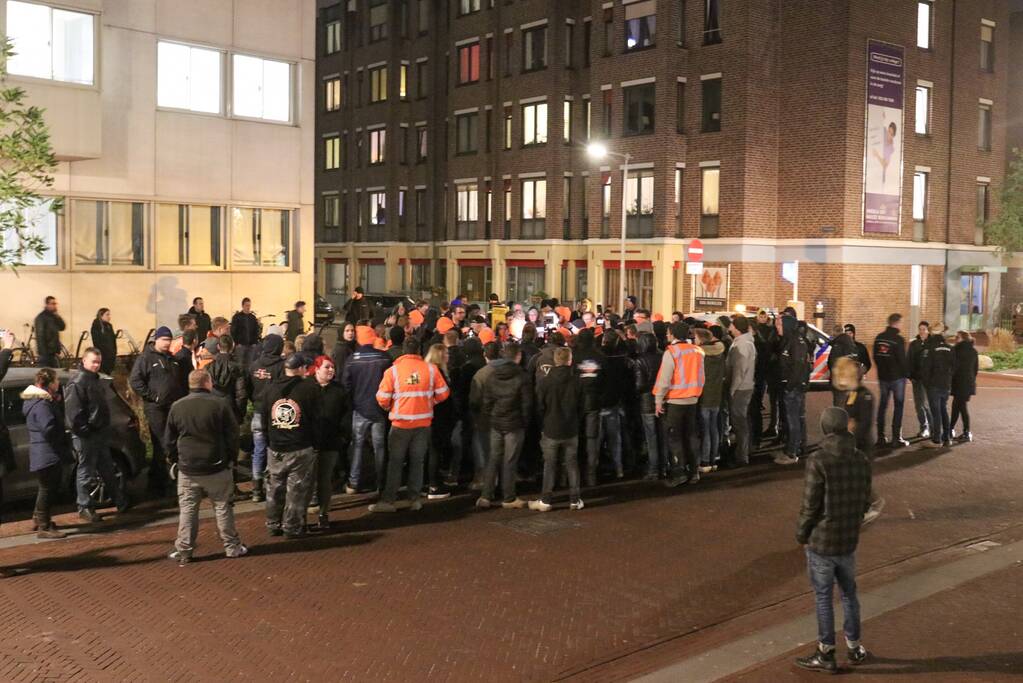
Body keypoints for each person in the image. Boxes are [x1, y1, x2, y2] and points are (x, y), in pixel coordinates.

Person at [794, 407, 872, 673]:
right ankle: (854, 646)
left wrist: (802, 533)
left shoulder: (818, 460)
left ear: (825, 428)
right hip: (848, 539)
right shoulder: (861, 459)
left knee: (823, 597)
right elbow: (865, 501)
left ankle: (826, 651)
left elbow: (810, 505)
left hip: (822, 540)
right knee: (850, 594)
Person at [165, 369, 246, 564]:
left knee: (188, 509)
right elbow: (232, 435)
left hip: (188, 467)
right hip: (216, 465)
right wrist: (231, 459)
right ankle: (232, 547)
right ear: (208, 383)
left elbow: (169, 439)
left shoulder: (177, 407)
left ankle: (185, 549)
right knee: (222, 507)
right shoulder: (220, 404)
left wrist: (175, 458)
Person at [369, 338, 449, 513]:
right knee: (417, 462)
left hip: (400, 424)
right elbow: (443, 394)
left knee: (395, 463)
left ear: (403, 351)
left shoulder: (393, 372)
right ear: (419, 350)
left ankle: (388, 501)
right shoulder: (431, 369)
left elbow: (382, 397)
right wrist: (430, 402)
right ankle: (414, 499)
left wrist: (391, 406)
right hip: (423, 423)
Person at [66, 348, 130, 522]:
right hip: (87, 435)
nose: (96, 365)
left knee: (106, 468)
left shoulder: (93, 380)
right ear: (84, 361)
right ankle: (84, 506)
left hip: (98, 432)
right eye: (93, 362)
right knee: (86, 471)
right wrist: (85, 430)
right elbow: (74, 413)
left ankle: (119, 500)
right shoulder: (79, 382)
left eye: (98, 362)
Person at [263, 354, 321, 537]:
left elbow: (265, 418)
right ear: (301, 368)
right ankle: (292, 527)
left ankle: (273, 523)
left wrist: (269, 440)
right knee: (296, 489)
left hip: (276, 446)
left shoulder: (270, 389)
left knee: (274, 487)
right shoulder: (309, 389)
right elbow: (317, 418)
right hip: (300, 446)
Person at [130, 326, 186, 494]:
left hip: (172, 407)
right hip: (156, 408)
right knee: (163, 443)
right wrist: (152, 396)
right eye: (164, 340)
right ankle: (163, 481)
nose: (167, 343)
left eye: (169, 340)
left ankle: (157, 479)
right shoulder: (146, 358)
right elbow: (135, 380)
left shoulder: (172, 358)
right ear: (157, 340)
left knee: (166, 443)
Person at [477, 342, 532, 509]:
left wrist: (489, 417)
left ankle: (486, 495)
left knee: (493, 458)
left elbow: (487, 401)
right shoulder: (522, 376)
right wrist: (524, 421)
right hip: (514, 423)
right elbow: (527, 404)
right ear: (518, 356)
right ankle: (508, 497)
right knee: (509, 460)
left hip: (496, 421)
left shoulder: (493, 375)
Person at [532, 347, 584, 511]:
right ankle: (575, 499)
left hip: (551, 427)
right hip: (570, 428)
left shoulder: (545, 381)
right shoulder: (577, 381)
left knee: (549, 464)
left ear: (555, 360)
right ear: (570, 360)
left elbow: (539, 406)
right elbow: (582, 406)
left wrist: (543, 423)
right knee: (572, 463)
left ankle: (546, 500)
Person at [341, 326, 392, 493]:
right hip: (379, 408)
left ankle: (353, 482)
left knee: (357, 445)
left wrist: (351, 405)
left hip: (360, 409)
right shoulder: (384, 358)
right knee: (379, 446)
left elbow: (346, 385)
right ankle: (381, 482)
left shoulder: (352, 359)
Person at [655, 323, 705, 487]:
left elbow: (664, 380)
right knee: (691, 436)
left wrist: (658, 400)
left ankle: (679, 473)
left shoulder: (672, 353)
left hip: (676, 400)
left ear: (672, 334)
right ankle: (694, 471)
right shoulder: (697, 351)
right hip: (693, 399)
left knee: (674, 438)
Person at [22, 368, 70, 539]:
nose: (58, 384)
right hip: (47, 452)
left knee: (45, 487)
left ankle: (39, 517)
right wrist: (62, 435)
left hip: (42, 451)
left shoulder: (36, 402)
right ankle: (44, 525)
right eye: (56, 381)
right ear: (49, 383)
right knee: (48, 489)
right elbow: (48, 428)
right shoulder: (42, 404)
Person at [308, 356, 346, 529]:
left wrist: (343, 436)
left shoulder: (339, 391)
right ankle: (301, 516)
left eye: (333, 367)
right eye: (327, 367)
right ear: (316, 369)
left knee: (324, 480)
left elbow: (346, 415)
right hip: (309, 443)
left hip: (330, 442)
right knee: (307, 480)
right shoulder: (306, 388)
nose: (331, 370)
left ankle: (324, 514)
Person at [248, 334, 286, 502]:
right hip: (275, 413)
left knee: (259, 450)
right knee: (276, 450)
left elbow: (248, 388)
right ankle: (274, 484)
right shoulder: (281, 367)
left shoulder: (254, 365)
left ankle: (256, 489)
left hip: (258, 411)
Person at [573, 329, 606, 486]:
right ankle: (591, 474)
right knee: (592, 438)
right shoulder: (599, 356)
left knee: (577, 438)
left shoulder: (574, 355)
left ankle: (575, 475)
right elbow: (605, 379)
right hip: (594, 402)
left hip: (577, 402)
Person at [872, 313, 909, 448]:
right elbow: (902, 360)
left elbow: (875, 357)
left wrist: (882, 370)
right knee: (898, 406)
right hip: (897, 378)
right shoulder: (898, 340)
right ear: (897, 323)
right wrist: (905, 374)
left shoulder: (879, 338)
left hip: (883, 377)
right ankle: (896, 437)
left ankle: (881, 437)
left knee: (882, 406)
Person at [423, 344, 455, 499]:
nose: (448, 356)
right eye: (446, 353)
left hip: (426, 416)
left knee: (428, 451)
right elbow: (444, 396)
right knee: (435, 450)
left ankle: (426, 483)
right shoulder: (438, 372)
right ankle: (434, 485)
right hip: (438, 417)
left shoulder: (425, 370)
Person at [777, 314, 809, 466]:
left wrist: (789, 385)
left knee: (793, 420)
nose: (777, 327)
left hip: (793, 388)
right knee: (794, 419)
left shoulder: (794, 342)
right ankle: (793, 448)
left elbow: (797, 366)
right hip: (795, 386)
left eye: (779, 324)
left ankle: (792, 452)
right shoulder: (792, 340)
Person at [632, 332, 664, 480]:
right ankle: (665, 465)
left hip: (647, 402)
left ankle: (654, 469)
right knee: (662, 435)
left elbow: (639, 385)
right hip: (663, 399)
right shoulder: (663, 356)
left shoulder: (640, 361)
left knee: (651, 437)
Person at [726, 316, 756, 468]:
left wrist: (732, 389)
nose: (729, 327)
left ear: (736, 327)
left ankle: (742, 456)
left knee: (739, 422)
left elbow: (740, 370)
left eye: (731, 324)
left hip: (741, 388)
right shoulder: (744, 342)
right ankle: (744, 451)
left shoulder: (742, 345)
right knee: (741, 421)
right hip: (745, 386)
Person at [694, 328, 725, 472]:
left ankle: (705, 461)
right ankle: (714, 458)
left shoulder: (700, 355)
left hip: (705, 395)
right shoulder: (720, 354)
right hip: (717, 394)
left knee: (705, 429)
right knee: (714, 428)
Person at [921, 325, 954, 448]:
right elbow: (954, 367)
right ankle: (947, 437)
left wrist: (927, 384)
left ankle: (936, 439)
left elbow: (926, 369)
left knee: (936, 412)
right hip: (945, 384)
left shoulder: (931, 349)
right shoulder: (950, 349)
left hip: (934, 385)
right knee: (943, 410)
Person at [209, 335, 247, 421]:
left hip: (212, 408)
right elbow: (241, 394)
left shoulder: (208, 367)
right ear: (232, 346)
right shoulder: (238, 368)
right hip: (230, 407)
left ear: (218, 346)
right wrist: (240, 414)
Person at [950, 331, 978, 443]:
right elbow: (975, 370)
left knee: (960, 407)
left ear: (962, 338)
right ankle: (951, 429)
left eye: (957, 337)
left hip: (959, 383)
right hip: (968, 384)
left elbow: (953, 368)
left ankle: (966, 432)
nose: (955, 339)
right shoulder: (973, 351)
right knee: (957, 407)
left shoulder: (956, 350)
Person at [906, 321, 933, 439]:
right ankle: (924, 427)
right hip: (917, 379)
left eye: (924, 329)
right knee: (919, 405)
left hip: (929, 380)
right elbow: (909, 360)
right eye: (920, 329)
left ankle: (933, 428)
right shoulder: (914, 344)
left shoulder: (932, 344)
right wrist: (910, 376)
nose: (922, 331)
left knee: (928, 404)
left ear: (928, 330)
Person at [34, 295, 65, 368]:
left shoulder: (54, 316)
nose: (55, 306)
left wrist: (58, 316)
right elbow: (40, 337)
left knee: (56, 374)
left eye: (55, 304)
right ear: (47, 305)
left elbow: (62, 327)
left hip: (53, 352)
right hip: (45, 354)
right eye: (53, 304)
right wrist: (44, 354)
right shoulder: (41, 317)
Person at [230, 298, 261, 366]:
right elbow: (233, 331)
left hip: (251, 346)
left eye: (249, 305)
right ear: (243, 305)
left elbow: (256, 330)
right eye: (247, 305)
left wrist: (255, 342)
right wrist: (237, 343)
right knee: (240, 364)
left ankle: (248, 376)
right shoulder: (236, 317)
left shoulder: (252, 317)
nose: (248, 307)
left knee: (250, 364)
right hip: (240, 346)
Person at [90, 308, 118, 375]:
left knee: (109, 374)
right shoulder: (96, 326)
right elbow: (97, 342)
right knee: (102, 374)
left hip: (111, 355)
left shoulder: (109, 326)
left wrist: (114, 352)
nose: (109, 317)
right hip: (103, 355)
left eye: (109, 315)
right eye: (107, 315)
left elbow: (113, 340)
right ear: (101, 315)